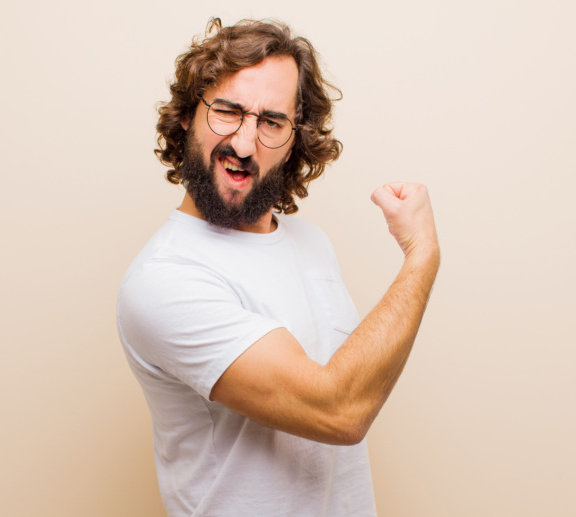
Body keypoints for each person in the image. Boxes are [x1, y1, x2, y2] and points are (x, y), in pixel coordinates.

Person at [117, 17, 439, 516]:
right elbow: (339, 410)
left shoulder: (312, 244)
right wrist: (422, 255)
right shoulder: (163, 279)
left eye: (271, 122)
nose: (244, 144)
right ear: (187, 116)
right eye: (227, 111)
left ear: (294, 141)